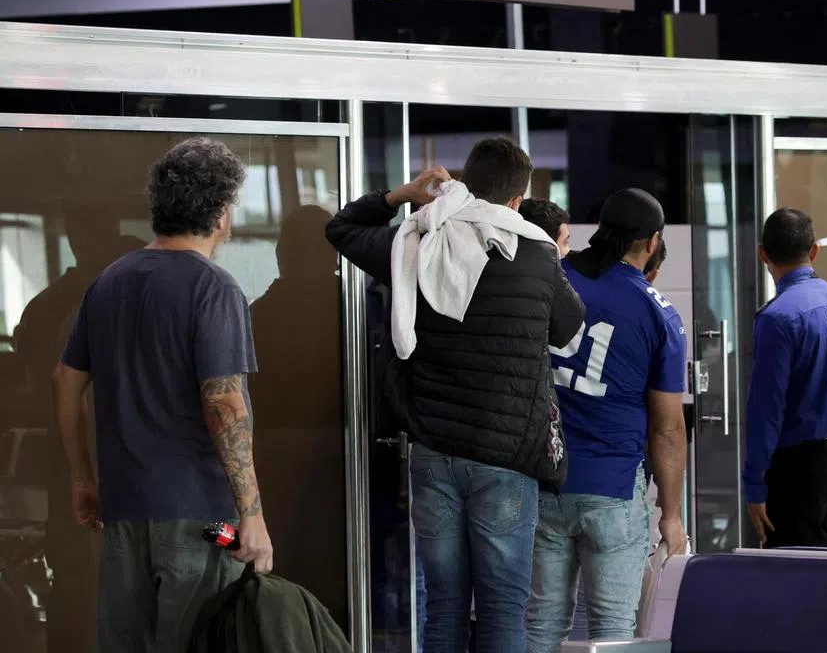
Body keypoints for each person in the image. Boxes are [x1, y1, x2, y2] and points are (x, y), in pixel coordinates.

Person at [325, 136, 584, 653]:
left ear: (465, 181)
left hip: (434, 453)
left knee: (443, 606)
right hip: (506, 459)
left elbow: (343, 229)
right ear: (516, 201)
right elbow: (568, 327)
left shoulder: (416, 242)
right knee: (503, 611)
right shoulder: (535, 252)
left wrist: (402, 195)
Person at [52, 137, 273, 653]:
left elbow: (65, 381)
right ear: (221, 214)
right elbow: (224, 403)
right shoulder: (214, 289)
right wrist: (253, 515)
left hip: (124, 506)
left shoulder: (108, 281)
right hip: (199, 514)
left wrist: (83, 478)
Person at [527, 188, 688, 653]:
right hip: (613, 488)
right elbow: (668, 428)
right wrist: (671, 516)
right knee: (613, 631)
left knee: (541, 622)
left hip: (543, 479)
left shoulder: (552, 277)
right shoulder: (658, 315)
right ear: (652, 241)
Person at [742, 208, 827, 548]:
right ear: (813, 251)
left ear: (763, 253)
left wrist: (754, 484)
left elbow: (766, 408)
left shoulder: (776, 318)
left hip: (793, 469)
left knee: (793, 577)